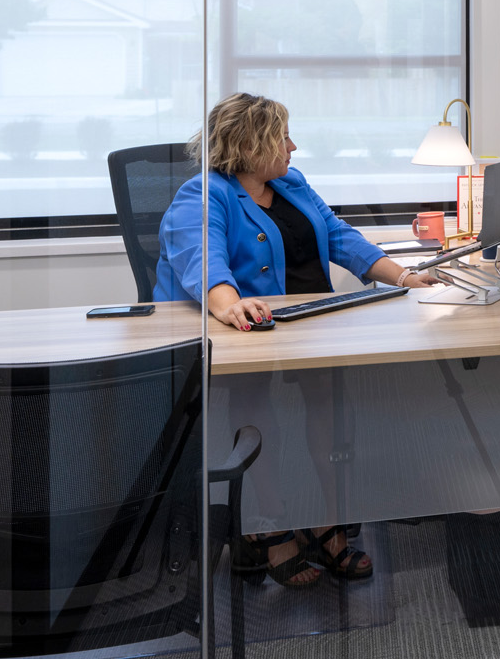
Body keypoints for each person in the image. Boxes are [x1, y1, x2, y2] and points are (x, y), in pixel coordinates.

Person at [157, 92, 443, 585]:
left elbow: (337, 236)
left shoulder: (291, 182)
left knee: (332, 411)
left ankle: (328, 520)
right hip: (247, 328)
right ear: (250, 145)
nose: (294, 146)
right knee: (256, 411)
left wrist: (402, 276)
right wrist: (230, 303)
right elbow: (201, 257)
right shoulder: (203, 194)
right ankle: (271, 525)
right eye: (282, 137)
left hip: (313, 320)